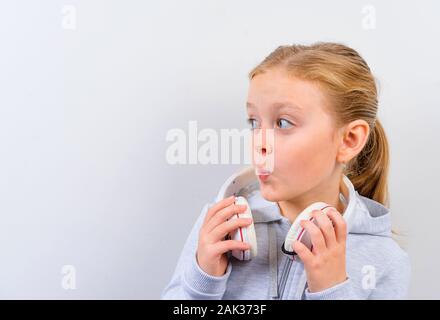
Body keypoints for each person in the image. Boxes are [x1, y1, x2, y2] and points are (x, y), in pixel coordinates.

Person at [161, 42, 411, 299]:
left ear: (349, 140)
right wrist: (203, 280)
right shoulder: (224, 224)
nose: (260, 143)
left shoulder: (385, 261)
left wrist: (331, 291)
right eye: (254, 122)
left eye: (283, 123)